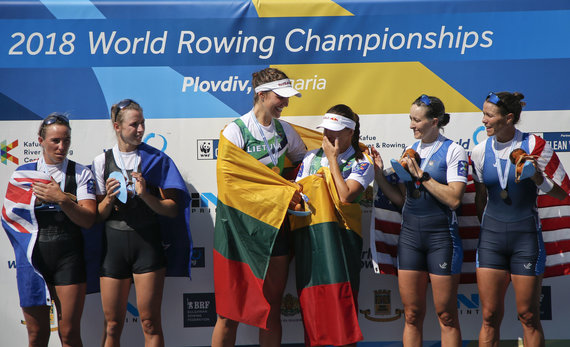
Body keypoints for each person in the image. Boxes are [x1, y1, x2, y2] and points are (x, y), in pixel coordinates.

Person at [212, 67, 306, 347]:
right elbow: (230, 186)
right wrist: (278, 195)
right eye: (281, 97)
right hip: (239, 230)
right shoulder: (234, 131)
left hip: (274, 227)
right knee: (229, 312)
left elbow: (306, 164)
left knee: (271, 306)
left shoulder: (284, 130)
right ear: (262, 95)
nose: (286, 103)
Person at [471, 92, 568, 347]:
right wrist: (490, 228)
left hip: (525, 240)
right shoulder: (480, 151)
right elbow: (480, 198)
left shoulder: (534, 145)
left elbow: (561, 194)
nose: (483, 120)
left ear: (508, 118)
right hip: (491, 240)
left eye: (489, 115)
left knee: (528, 316)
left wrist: (537, 177)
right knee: (489, 316)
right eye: (483, 114)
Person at [371, 95, 468, 347]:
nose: (412, 125)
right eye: (410, 120)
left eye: (416, 120)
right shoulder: (410, 151)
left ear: (434, 122)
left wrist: (422, 176)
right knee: (412, 316)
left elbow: (455, 199)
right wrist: (379, 175)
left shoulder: (454, 150)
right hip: (411, 238)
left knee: (446, 316)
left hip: (441, 238)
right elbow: (404, 202)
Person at [92, 99, 191, 347]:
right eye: (134, 124)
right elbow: (97, 216)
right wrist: (109, 200)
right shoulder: (101, 162)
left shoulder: (156, 159)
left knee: (150, 322)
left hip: (147, 245)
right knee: (112, 326)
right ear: (117, 126)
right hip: (113, 246)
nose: (140, 129)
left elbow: (172, 210)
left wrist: (146, 194)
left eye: (142, 124)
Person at [2, 113, 96, 347]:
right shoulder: (22, 174)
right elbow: (9, 218)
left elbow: (88, 219)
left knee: (69, 333)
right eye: (55, 141)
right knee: (36, 335)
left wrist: (62, 199)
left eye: (66, 140)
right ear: (41, 141)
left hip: (69, 256)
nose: (61, 146)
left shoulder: (81, 172)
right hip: (33, 259)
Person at [294, 104, 374, 347]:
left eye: (335, 130)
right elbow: (296, 195)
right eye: (326, 129)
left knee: (342, 304)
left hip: (343, 240)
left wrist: (332, 160)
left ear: (350, 132)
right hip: (313, 237)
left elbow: (346, 196)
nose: (328, 135)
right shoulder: (310, 157)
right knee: (313, 305)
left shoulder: (363, 161)